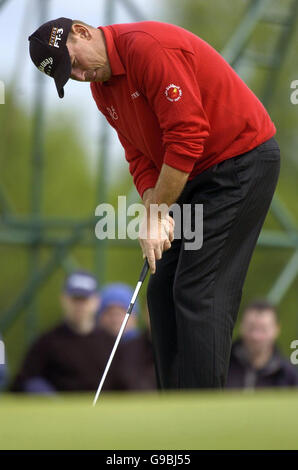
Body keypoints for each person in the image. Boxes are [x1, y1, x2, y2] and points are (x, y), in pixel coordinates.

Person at [28, 18, 280, 390]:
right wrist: (152, 209)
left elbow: (187, 136)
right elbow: (140, 157)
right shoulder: (103, 90)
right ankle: (173, 408)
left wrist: (157, 212)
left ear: (81, 31)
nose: (81, 75)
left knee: (197, 288)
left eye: (75, 63)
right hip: (194, 176)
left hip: (241, 162)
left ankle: (202, 415)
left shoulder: (147, 48)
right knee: (161, 290)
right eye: (71, 75)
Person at [11, 271, 125, 393]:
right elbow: (23, 382)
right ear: (63, 299)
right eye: (75, 299)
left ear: (96, 301)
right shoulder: (46, 343)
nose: (79, 305)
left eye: (84, 299)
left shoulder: (111, 344)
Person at [227, 300, 298, 389]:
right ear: (241, 326)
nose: (256, 336)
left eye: (263, 329)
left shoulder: (289, 375)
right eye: (251, 328)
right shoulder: (221, 367)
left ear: (276, 329)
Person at [97, 283, 156, 390]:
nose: (115, 319)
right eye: (109, 313)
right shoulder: (96, 347)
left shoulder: (145, 345)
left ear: (135, 316)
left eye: (121, 312)